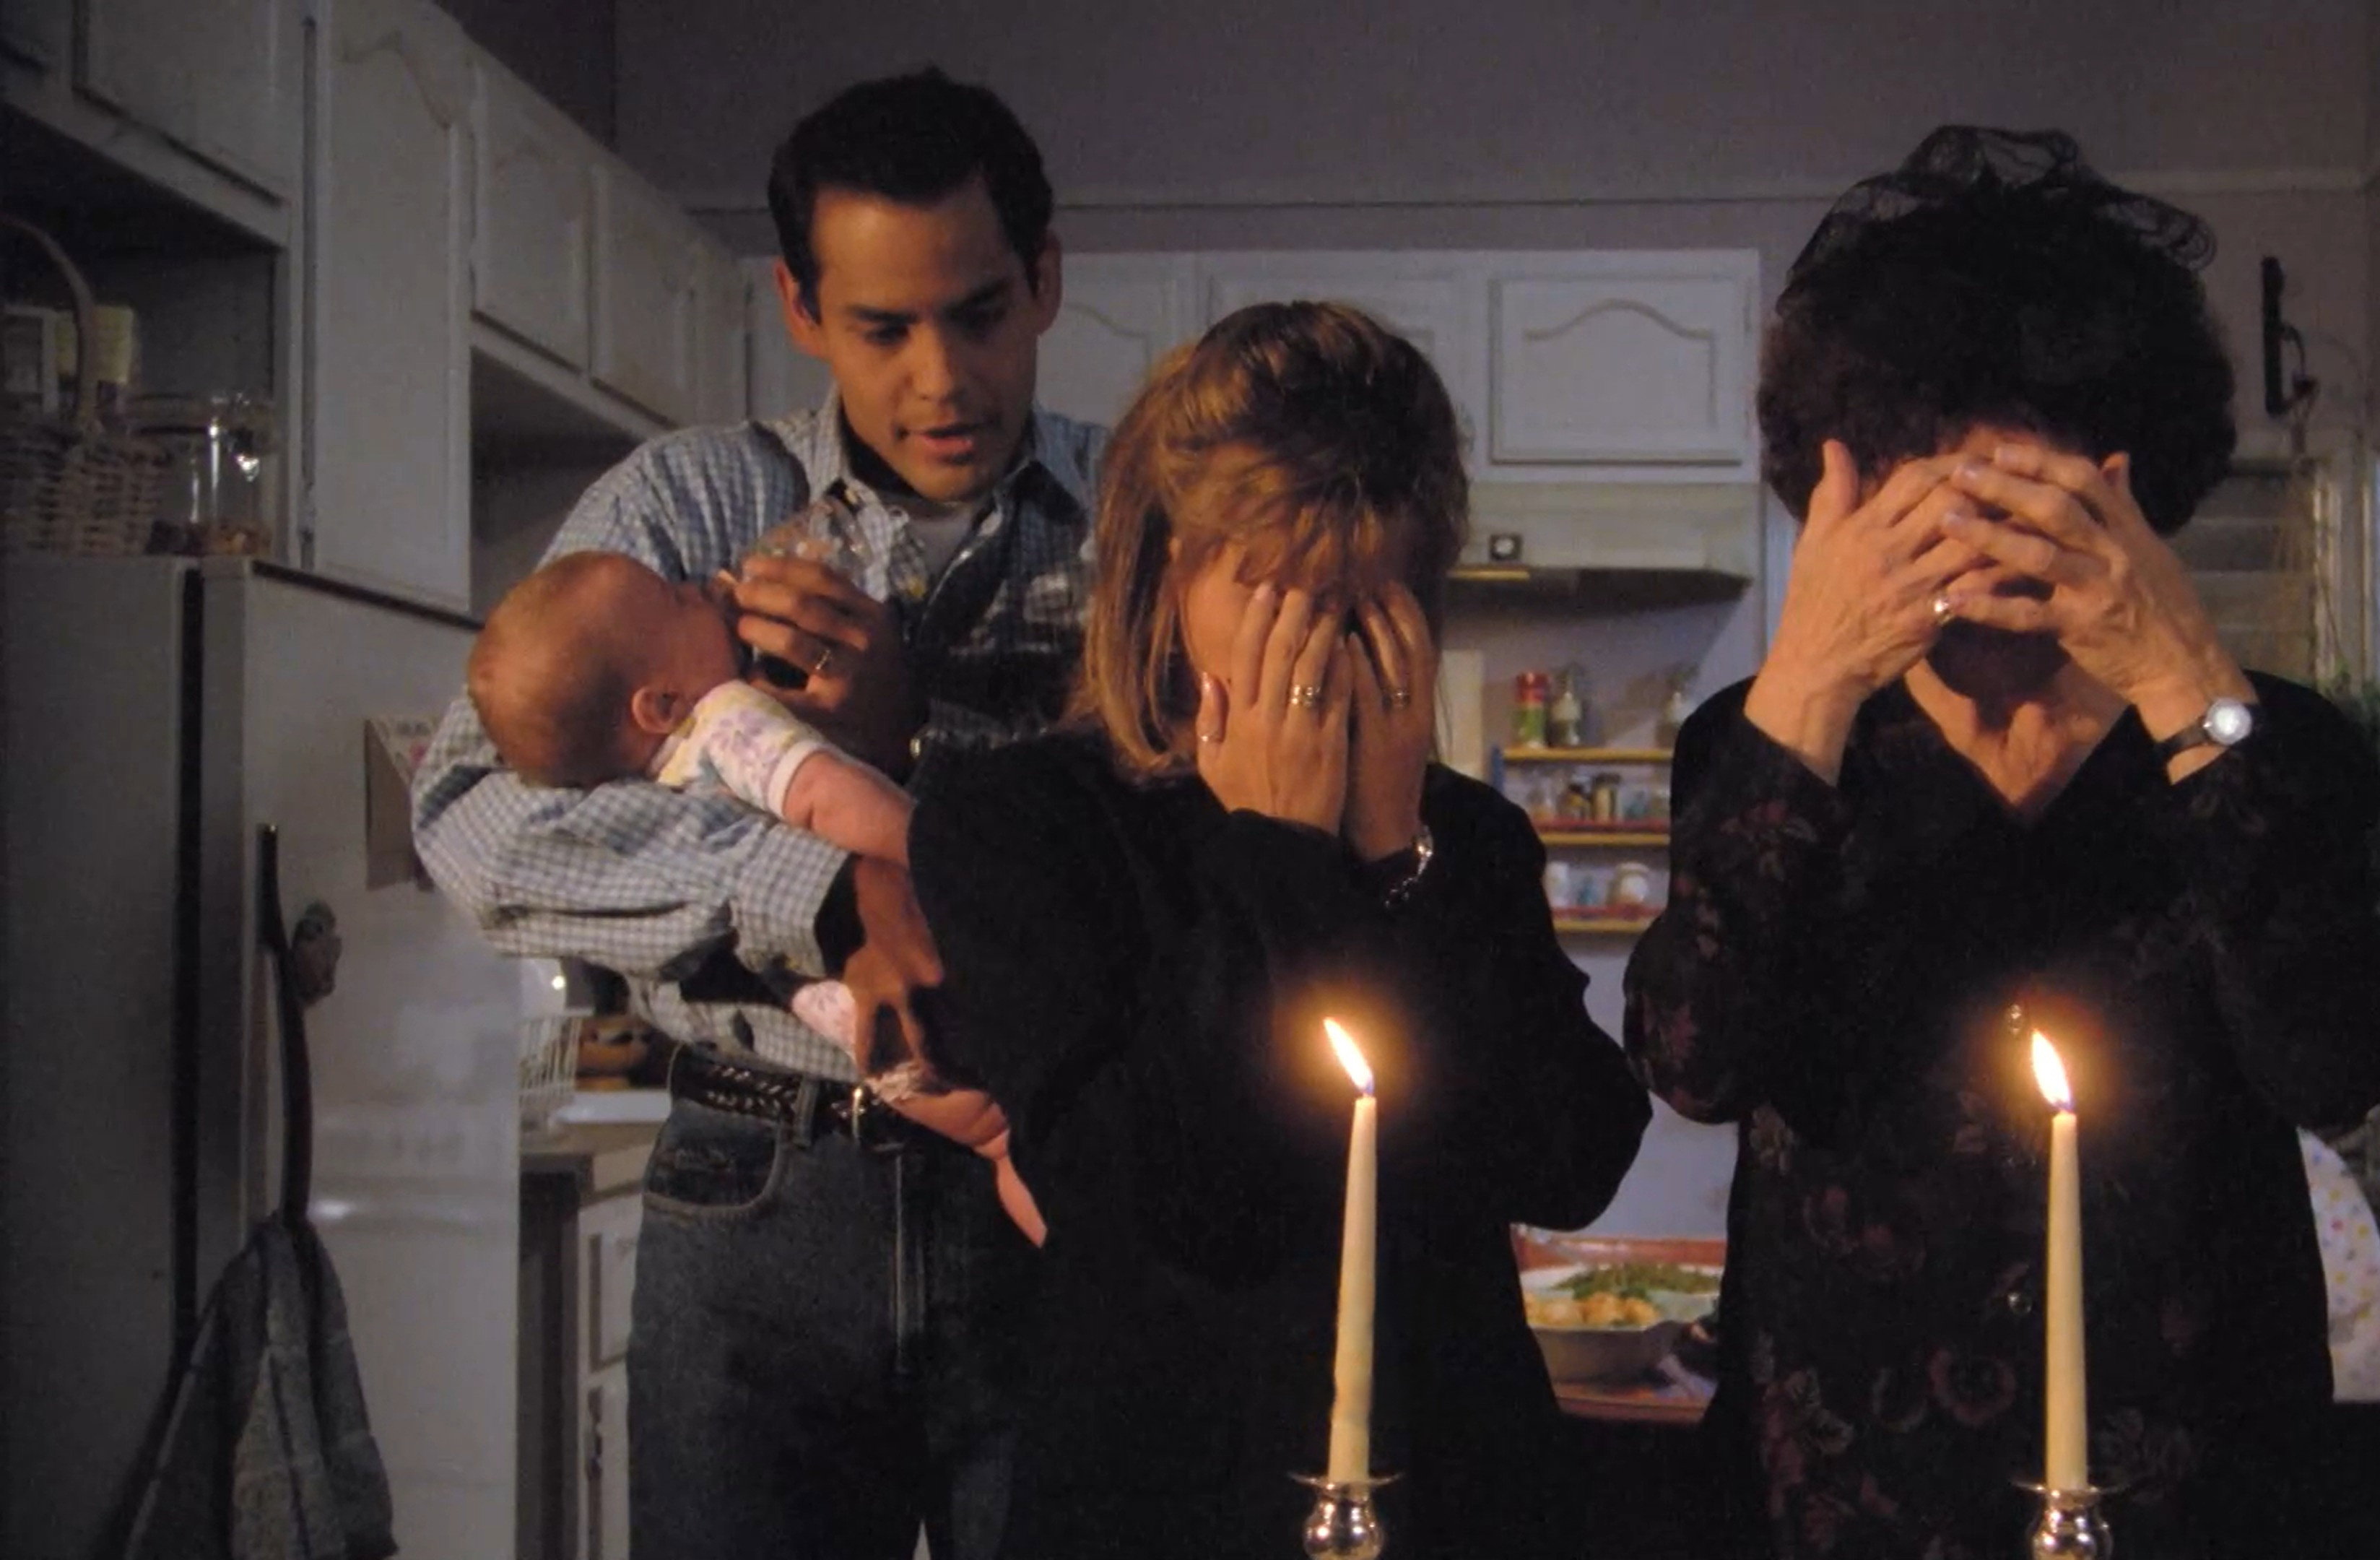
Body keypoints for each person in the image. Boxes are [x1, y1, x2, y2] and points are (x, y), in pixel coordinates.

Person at [1620, 126, 2380, 1559]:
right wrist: (1810, 682)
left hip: (2196, 1484)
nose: (1986, 538)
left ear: (2127, 481)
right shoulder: (1768, 745)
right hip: (1848, 1490)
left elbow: (2338, 1063)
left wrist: (2183, 681)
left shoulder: (2271, 746)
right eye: (1938, 483)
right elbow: (1697, 1062)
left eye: (2036, 490)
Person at [412, 69, 1095, 1560]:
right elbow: (469, 816)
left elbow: (1181, 852)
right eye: (884, 328)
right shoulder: (682, 508)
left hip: (1061, 1196)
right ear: (800, 306)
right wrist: (825, 892)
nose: (941, 380)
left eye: (980, 313)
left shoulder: (1136, 518)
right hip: (756, 1191)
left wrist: (907, 737)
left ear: (1044, 280)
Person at [900, 301, 1652, 1559]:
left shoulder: (1460, 838)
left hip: (1456, 1483)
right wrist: (1279, 856)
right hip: (1166, 1499)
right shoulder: (1020, 824)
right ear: (1165, 574)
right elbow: (1148, 1200)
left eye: (1366, 605)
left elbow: (1572, 1159)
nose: (1320, 650)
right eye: (1281, 599)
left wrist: (1396, 859)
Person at [464, 548, 1045, 1245]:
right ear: (661, 705)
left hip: (839, 1017)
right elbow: (825, 796)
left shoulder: (649, 795)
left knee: (1002, 1138)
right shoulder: (726, 719)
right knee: (1050, 1098)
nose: (699, 587)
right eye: (675, 599)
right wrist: (942, 862)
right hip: (917, 948)